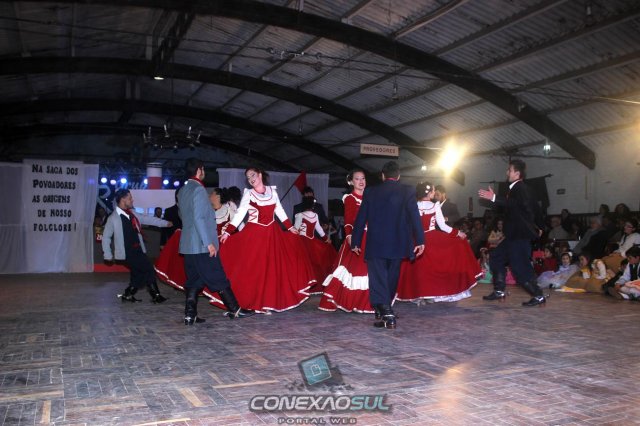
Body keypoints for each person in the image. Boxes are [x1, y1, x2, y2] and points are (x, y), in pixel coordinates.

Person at [219, 167, 316, 312]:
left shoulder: (272, 192)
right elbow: (240, 214)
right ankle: (254, 302)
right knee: (255, 269)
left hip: (272, 234)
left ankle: (267, 303)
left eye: (253, 175)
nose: (251, 179)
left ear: (260, 175)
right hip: (255, 235)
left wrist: (290, 227)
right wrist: (228, 232)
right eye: (248, 177)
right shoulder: (249, 194)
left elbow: (280, 211)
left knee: (270, 270)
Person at [178, 158, 254, 325]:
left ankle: (190, 315)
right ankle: (235, 310)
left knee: (194, 280)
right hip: (201, 245)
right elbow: (199, 218)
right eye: (203, 169)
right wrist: (208, 243)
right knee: (217, 275)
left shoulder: (183, 190)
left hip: (188, 245)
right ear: (199, 170)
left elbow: (182, 216)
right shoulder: (198, 189)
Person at [351, 161, 425, 329]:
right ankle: (383, 308)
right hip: (399, 243)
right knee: (391, 278)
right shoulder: (408, 191)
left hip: (376, 243)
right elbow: (415, 217)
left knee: (378, 278)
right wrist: (420, 240)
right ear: (398, 176)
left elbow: (361, 218)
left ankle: (387, 313)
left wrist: (356, 241)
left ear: (383, 176)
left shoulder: (371, 191)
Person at [396, 182, 481, 303]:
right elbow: (442, 226)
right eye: (433, 191)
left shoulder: (413, 205)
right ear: (429, 193)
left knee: (418, 269)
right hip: (432, 237)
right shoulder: (435, 205)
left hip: (416, 240)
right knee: (458, 245)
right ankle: (436, 292)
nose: (434, 193)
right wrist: (458, 233)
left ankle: (419, 294)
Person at [478, 159, 546, 306]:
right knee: (496, 257)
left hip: (519, 236)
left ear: (517, 173)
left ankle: (538, 295)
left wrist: (494, 198)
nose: (507, 172)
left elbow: (516, 204)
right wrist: (541, 226)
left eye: (510, 170)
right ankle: (499, 290)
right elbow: (535, 208)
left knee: (519, 268)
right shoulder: (519, 188)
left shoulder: (520, 188)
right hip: (513, 236)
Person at [102, 189, 172, 304]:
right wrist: (107, 255)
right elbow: (106, 237)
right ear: (123, 200)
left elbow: (146, 219)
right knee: (148, 269)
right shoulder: (113, 218)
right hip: (127, 252)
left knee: (138, 274)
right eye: (130, 198)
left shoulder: (132, 213)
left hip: (138, 249)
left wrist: (164, 223)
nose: (132, 200)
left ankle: (128, 295)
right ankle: (156, 296)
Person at [319, 169, 373, 313]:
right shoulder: (350, 198)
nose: (361, 181)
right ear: (351, 182)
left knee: (371, 270)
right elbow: (348, 221)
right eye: (357, 179)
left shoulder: (370, 197)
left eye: (363, 178)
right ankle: (352, 301)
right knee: (356, 270)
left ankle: (368, 301)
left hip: (372, 239)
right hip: (358, 238)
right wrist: (350, 238)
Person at [294, 196, 337, 293]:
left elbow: (296, 229)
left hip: (301, 242)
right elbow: (319, 230)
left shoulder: (300, 215)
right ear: (313, 206)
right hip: (312, 242)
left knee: (301, 264)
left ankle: (302, 286)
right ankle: (315, 287)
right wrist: (326, 239)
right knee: (314, 265)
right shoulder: (315, 215)